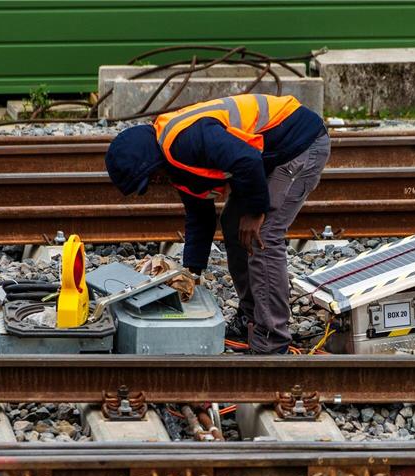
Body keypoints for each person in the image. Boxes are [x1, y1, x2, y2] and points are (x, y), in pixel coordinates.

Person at [105, 94, 330, 354]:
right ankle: (251, 317)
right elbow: (200, 217)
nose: (155, 182)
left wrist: (257, 210)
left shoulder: (184, 141)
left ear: (151, 161)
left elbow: (247, 160)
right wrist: (192, 274)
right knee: (234, 223)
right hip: (268, 155)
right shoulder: (174, 163)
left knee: (262, 235)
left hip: (300, 143)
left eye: (150, 177)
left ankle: (272, 339)